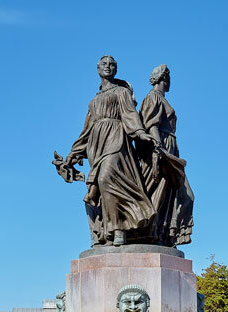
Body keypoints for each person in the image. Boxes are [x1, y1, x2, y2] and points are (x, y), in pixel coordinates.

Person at [60, 55, 158, 246]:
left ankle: (118, 228)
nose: (108, 66)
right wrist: (74, 153)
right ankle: (108, 230)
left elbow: (129, 115)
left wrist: (140, 133)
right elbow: (87, 129)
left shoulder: (121, 92)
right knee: (100, 187)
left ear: (116, 69)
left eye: (112, 64)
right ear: (97, 69)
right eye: (104, 64)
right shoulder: (93, 101)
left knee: (106, 179)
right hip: (96, 144)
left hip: (116, 138)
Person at [139, 64, 194, 246]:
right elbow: (151, 124)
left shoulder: (161, 98)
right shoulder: (153, 97)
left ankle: (164, 233)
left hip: (170, 148)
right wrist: (159, 148)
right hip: (162, 149)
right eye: (168, 77)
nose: (169, 82)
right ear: (163, 78)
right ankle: (151, 231)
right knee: (160, 193)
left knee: (179, 196)